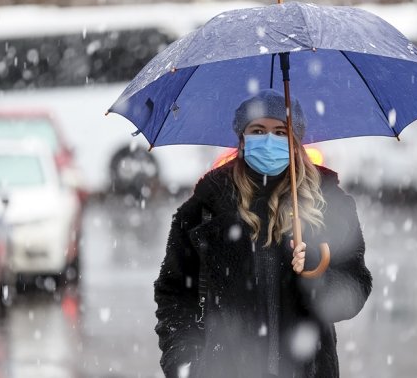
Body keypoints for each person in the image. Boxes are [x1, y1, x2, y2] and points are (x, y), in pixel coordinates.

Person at [153, 89, 373, 378]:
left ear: (295, 142)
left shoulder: (330, 203)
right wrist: (186, 363)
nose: (269, 141)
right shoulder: (203, 210)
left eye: (281, 132)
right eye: (258, 130)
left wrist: (317, 273)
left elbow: (354, 291)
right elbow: (175, 295)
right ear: (242, 139)